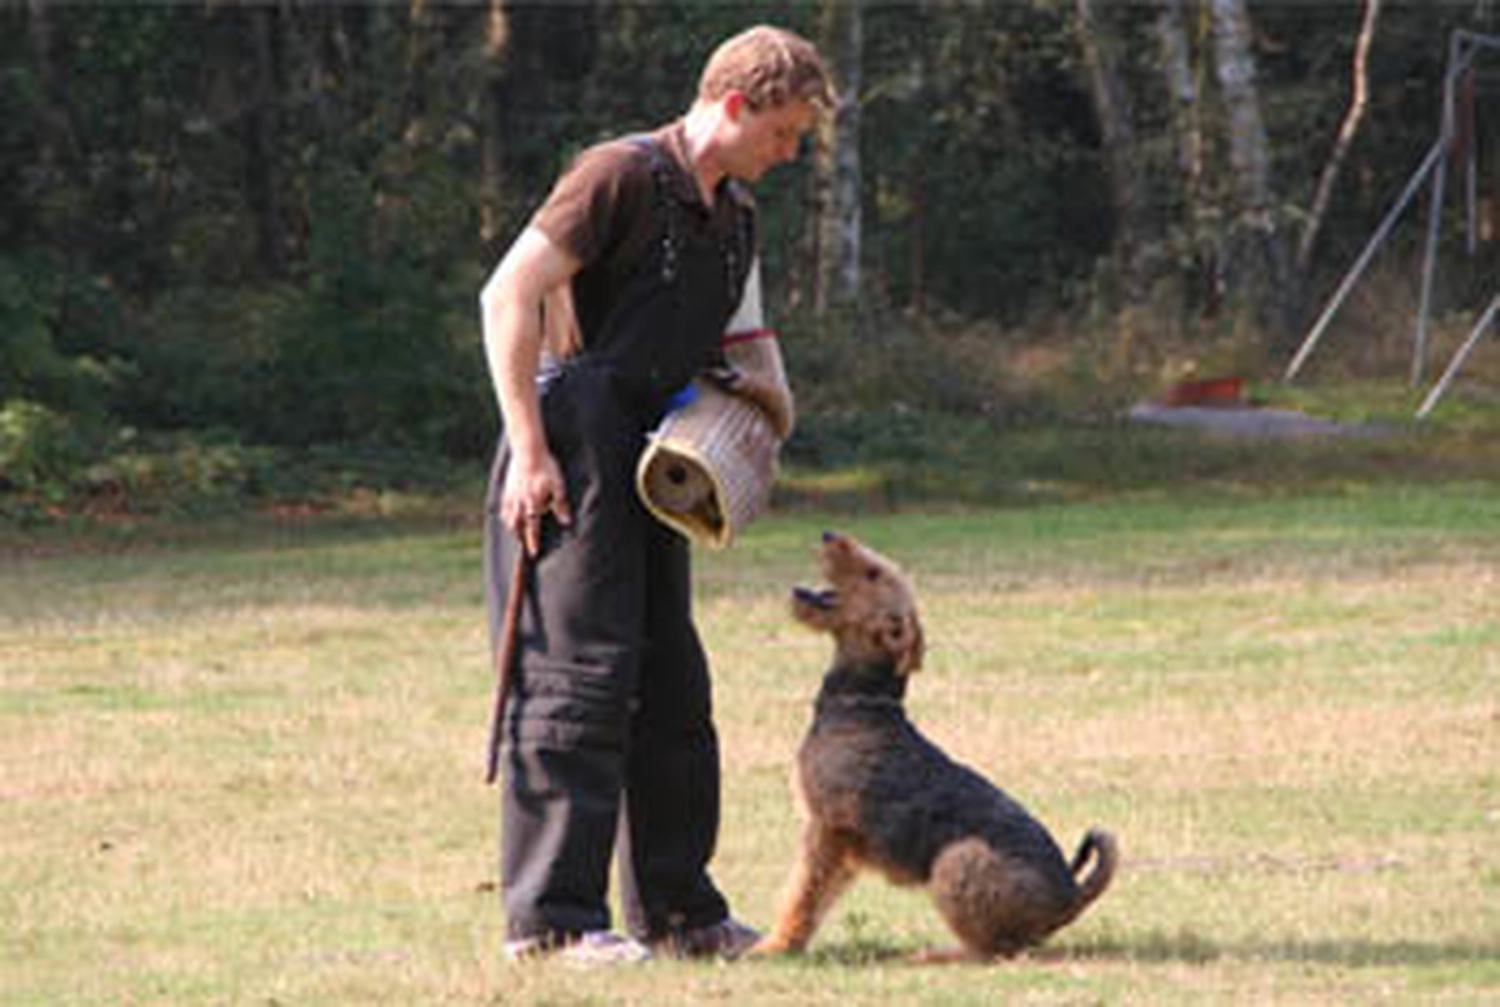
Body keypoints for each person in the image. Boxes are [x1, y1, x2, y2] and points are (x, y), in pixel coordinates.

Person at [478, 25, 834, 965]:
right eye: (783, 132)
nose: (788, 153)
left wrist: (758, 430)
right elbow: (507, 295)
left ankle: (681, 916)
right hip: (571, 440)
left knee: (672, 685)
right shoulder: (617, 176)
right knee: (578, 680)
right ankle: (552, 924)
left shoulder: (734, 214)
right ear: (734, 105)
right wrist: (529, 451)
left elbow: (745, 346)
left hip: (653, 457)